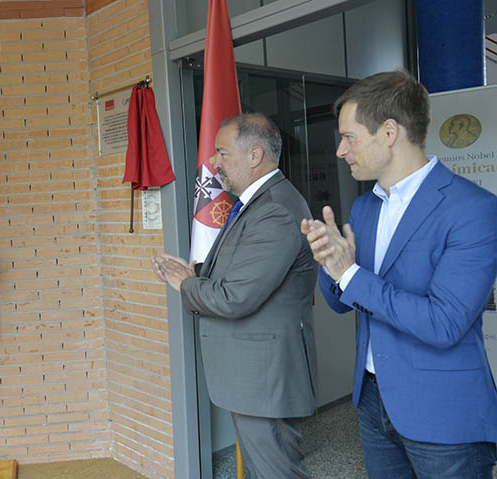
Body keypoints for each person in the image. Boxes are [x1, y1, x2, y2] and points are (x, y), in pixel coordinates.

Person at [301, 71, 497, 478]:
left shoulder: (473, 210)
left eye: (349, 137)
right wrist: (329, 260)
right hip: (373, 401)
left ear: (389, 132)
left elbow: (444, 323)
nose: (339, 150)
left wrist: (350, 273)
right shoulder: (364, 208)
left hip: (444, 413)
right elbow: (340, 302)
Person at [153, 113, 318, 478]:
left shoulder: (274, 209)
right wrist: (196, 273)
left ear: (255, 155)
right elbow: (241, 275)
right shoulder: (257, 204)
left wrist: (185, 283)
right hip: (254, 378)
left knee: (276, 473)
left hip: (264, 379)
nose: (214, 163)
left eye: (222, 153)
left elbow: (236, 298)